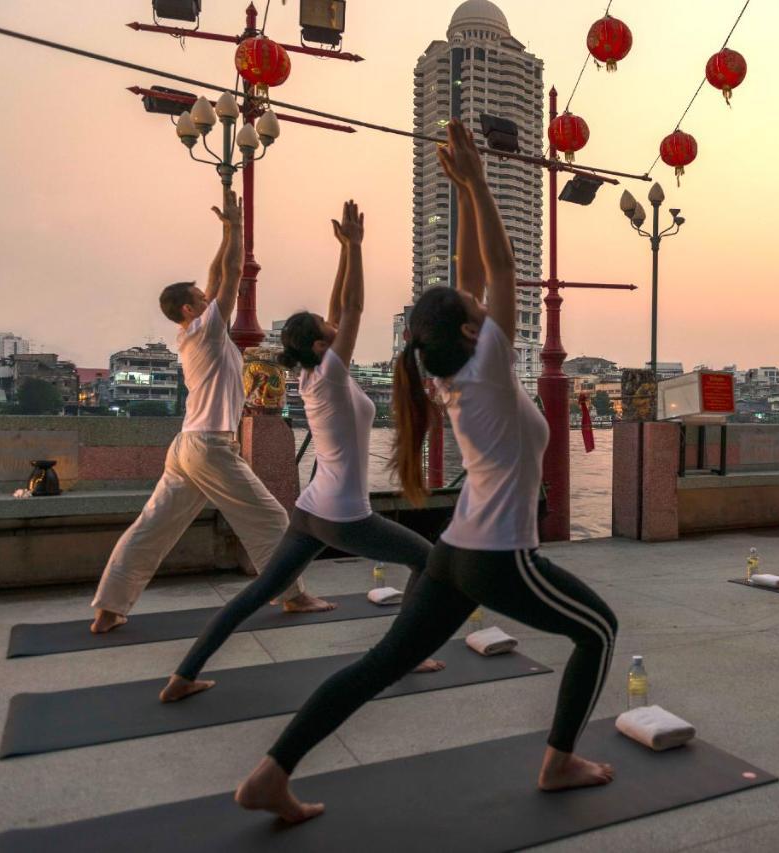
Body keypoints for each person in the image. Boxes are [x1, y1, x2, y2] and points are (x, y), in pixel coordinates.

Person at [233, 120, 618, 823]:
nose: (483, 304)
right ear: (475, 331)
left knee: (379, 663)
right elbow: (499, 270)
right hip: (499, 555)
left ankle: (270, 772)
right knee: (598, 630)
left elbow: (473, 277)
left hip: (452, 553)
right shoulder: (490, 370)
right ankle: (559, 760)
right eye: (477, 311)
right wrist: (474, 182)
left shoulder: (447, 371)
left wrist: (467, 193)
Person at [159, 200, 443, 703]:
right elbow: (352, 310)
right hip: (342, 515)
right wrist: (356, 248)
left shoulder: (318, 373)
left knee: (257, 592)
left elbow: (338, 311)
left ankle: (183, 675)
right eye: (325, 329)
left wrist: (343, 252)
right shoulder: (329, 372)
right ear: (319, 346)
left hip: (311, 511)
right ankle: (406, 653)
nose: (335, 326)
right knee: (427, 559)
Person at [89, 189, 332, 635]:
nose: (210, 299)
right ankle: (294, 595)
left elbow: (218, 272)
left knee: (153, 528)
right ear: (190, 308)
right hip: (210, 446)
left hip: (186, 447)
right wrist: (237, 230)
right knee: (271, 519)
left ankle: (109, 606)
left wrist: (225, 233)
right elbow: (232, 273)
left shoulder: (194, 335)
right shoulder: (205, 331)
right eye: (203, 297)